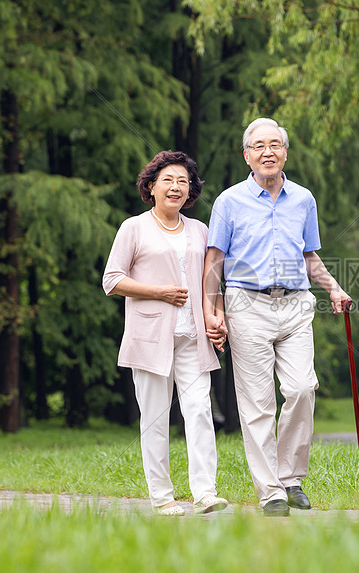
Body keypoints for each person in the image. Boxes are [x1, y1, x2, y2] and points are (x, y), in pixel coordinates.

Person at [203, 118, 351, 517]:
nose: (267, 152)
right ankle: (271, 491)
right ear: (247, 154)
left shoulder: (303, 199)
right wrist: (210, 309)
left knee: (302, 388)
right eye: (259, 146)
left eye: (275, 145)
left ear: (285, 151)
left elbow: (309, 256)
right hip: (246, 304)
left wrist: (334, 288)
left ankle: (292, 478)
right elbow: (214, 259)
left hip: (295, 304)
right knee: (258, 403)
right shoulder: (229, 201)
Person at [103, 150, 228, 516]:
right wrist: (159, 292)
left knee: (200, 411)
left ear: (190, 192)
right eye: (168, 181)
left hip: (193, 338)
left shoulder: (199, 230)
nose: (176, 188)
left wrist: (216, 318)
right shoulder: (133, 228)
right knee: (155, 417)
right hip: (150, 340)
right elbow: (111, 280)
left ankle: (205, 492)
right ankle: (162, 497)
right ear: (151, 186)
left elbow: (210, 283)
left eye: (183, 182)